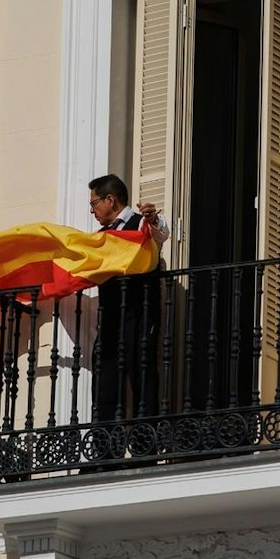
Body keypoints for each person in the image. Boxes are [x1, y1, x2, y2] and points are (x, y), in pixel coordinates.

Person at [85, 175, 167, 431]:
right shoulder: (100, 236)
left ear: (110, 200)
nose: (92, 210)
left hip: (138, 314)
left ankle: (145, 445)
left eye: (94, 202)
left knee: (141, 374)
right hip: (110, 318)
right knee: (104, 377)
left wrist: (153, 219)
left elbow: (160, 234)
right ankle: (104, 448)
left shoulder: (141, 223)